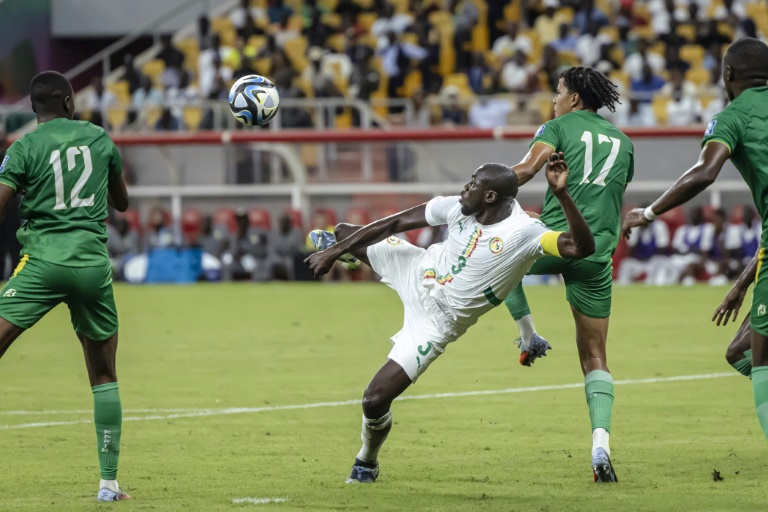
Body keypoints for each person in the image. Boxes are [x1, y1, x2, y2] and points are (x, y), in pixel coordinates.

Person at [305, 153, 596, 483]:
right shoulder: (457, 207)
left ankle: (366, 460)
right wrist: (333, 251)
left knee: (374, 400)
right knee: (343, 232)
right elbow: (394, 223)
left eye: (473, 183)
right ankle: (348, 254)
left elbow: (581, 248)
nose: (465, 188)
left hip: (435, 323)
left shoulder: (525, 232)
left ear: (490, 196)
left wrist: (562, 195)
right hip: (416, 269)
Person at [622, 38, 768, 442]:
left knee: (758, 358)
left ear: (728, 74)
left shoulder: (733, 117)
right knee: (738, 351)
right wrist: (742, 284)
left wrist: (648, 213)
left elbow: (705, 173)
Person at [0, 71, 130, 501]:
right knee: (104, 374)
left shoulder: (23, 147)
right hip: (91, 265)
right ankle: (108, 485)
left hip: (43, 262)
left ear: (34, 108)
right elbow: (122, 202)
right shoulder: (98, 138)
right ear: (70, 103)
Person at [503, 67, 633, 482]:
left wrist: (480, 188)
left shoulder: (557, 127)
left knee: (498, 256)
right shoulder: (625, 143)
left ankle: (528, 336)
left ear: (574, 98)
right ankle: (600, 447)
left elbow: (526, 170)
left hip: (556, 242)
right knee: (595, 356)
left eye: (558, 93)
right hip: (596, 254)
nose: (554, 100)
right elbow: (610, 197)